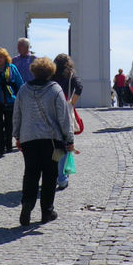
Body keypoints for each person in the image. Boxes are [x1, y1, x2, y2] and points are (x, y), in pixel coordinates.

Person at [12, 57, 76, 225]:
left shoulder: (24, 90)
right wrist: (69, 139)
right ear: (50, 72)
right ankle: (47, 211)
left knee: (31, 173)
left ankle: (27, 205)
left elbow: (17, 114)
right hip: (52, 142)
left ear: (34, 71)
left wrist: (17, 136)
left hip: (28, 139)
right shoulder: (56, 90)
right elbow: (63, 118)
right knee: (50, 174)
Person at [51, 53, 83, 191]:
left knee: (54, 143)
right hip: (65, 109)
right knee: (66, 142)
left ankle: (53, 175)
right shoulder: (70, 74)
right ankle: (62, 177)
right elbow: (79, 87)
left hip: (52, 109)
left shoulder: (51, 73)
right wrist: (72, 103)